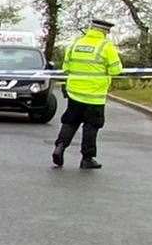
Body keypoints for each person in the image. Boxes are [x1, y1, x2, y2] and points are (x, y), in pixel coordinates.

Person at [52, 18, 123, 170]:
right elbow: (116, 70)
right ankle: (87, 158)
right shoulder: (106, 46)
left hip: (75, 92)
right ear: (105, 31)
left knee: (70, 121)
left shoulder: (76, 43)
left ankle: (60, 146)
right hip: (94, 94)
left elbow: (66, 67)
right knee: (91, 125)